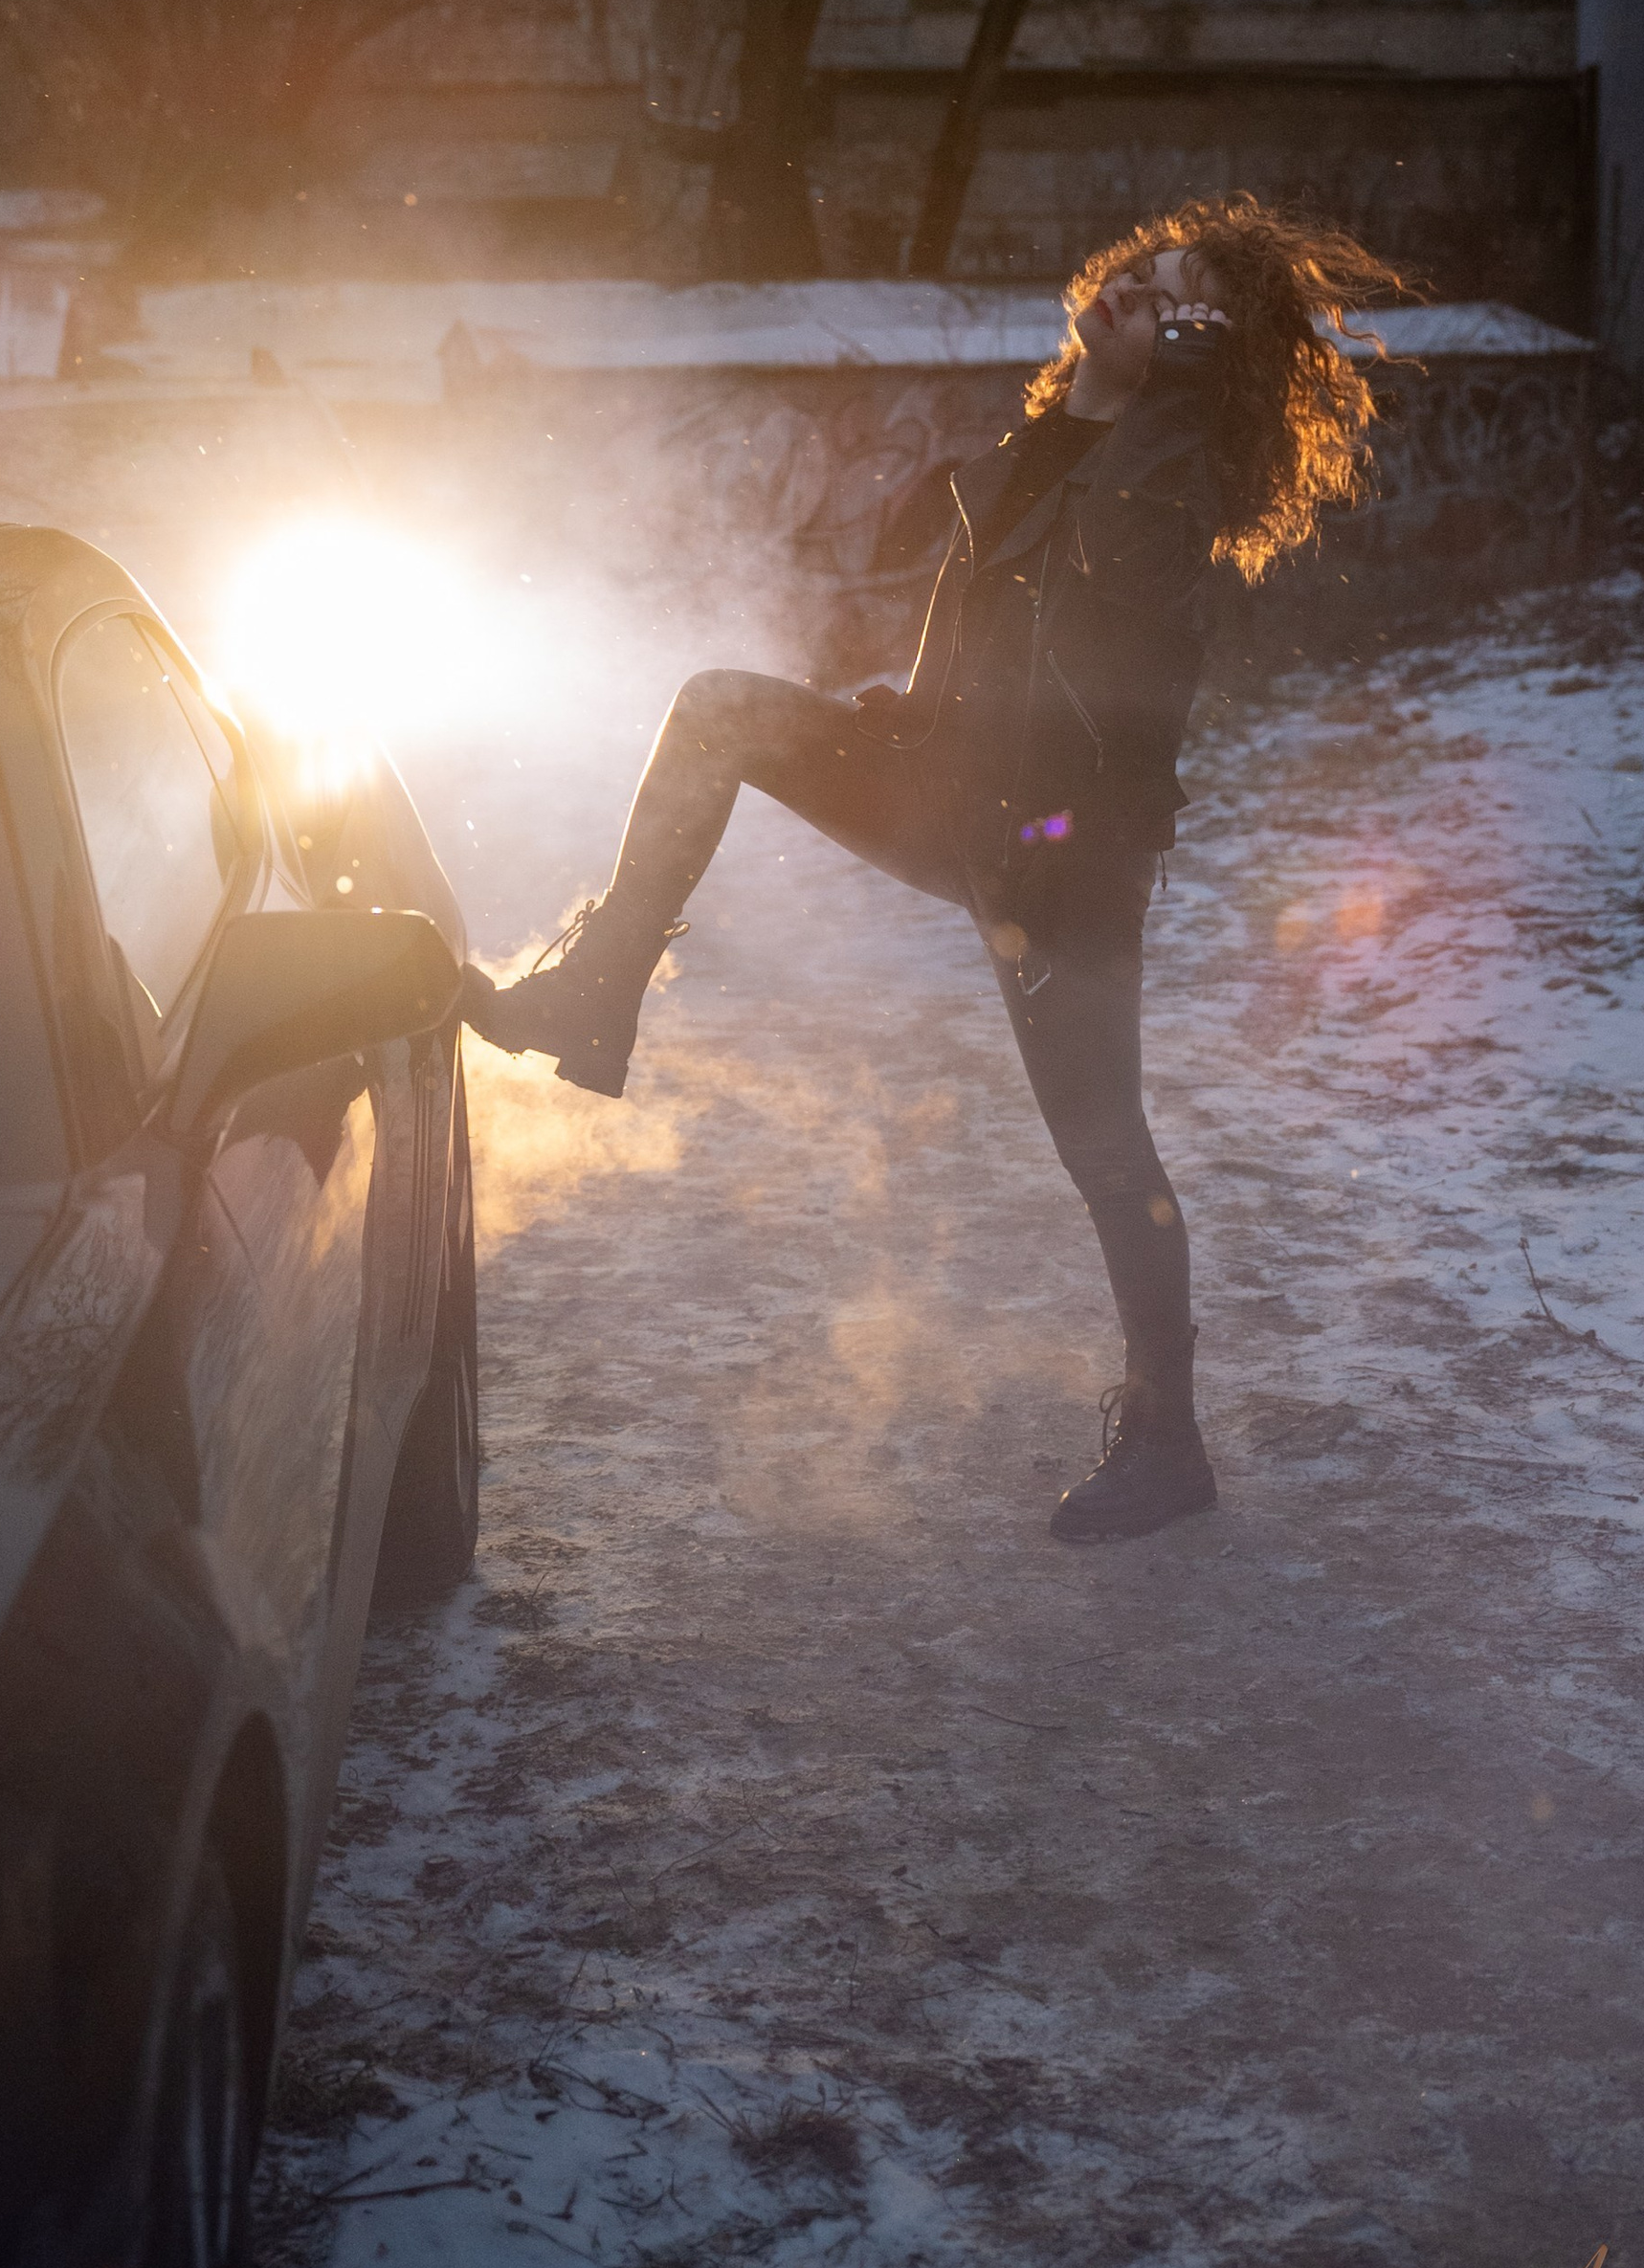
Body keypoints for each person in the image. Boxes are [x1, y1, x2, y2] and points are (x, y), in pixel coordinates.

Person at [461, 191, 1394, 1544]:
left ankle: (1169, 1437)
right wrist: (1085, 396)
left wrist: (1168, 378)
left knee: (1100, 1139)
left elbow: (1120, 571)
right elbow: (980, 598)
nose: (1134, 305)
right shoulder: (1074, 442)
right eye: (1136, 282)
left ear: (1211, 349)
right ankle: (596, 987)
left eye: (1176, 302)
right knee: (719, 704)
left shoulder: (1175, 478)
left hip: (1067, 858)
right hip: (952, 788)